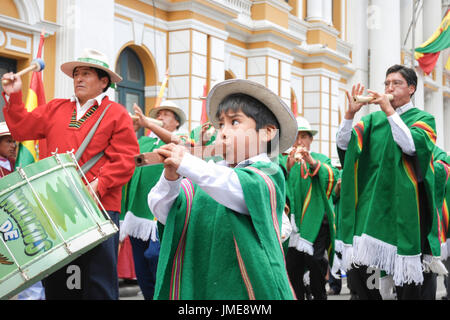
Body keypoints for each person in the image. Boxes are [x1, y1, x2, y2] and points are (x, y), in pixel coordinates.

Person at [1, 48, 139, 300]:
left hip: (98, 205)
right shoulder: (55, 108)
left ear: (103, 81)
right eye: (76, 74)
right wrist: (14, 95)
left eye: (86, 73)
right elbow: (21, 129)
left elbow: (126, 158)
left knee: (97, 280)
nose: (79, 79)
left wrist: (100, 183)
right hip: (54, 205)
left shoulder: (116, 113)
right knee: (57, 278)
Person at [148, 79, 298, 299]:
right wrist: (171, 178)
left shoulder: (268, 173)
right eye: (221, 125)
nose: (223, 133)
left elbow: (236, 188)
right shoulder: (206, 173)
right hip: (202, 287)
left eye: (234, 122)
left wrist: (187, 162)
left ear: (267, 132)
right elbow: (163, 212)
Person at [336, 64, 446, 300]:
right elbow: (346, 147)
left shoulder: (424, 119)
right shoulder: (373, 121)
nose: (389, 88)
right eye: (386, 83)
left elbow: (410, 146)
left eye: (396, 83)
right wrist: (349, 115)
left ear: (411, 89)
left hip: (407, 215)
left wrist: (389, 111)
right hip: (373, 215)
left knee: (411, 289)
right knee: (364, 284)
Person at [120, 100, 186, 300]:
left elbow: (180, 145)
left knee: (155, 257)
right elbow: (125, 159)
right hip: (137, 215)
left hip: (161, 214)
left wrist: (149, 124)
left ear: (176, 123)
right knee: (142, 268)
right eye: (159, 113)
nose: (160, 116)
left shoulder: (181, 138)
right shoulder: (143, 142)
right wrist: (130, 129)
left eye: (166, 114)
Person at [279, 116, 339, 300]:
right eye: (295, 136)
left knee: (315, 263)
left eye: (304, 136)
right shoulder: (283, 161)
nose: (299, 141)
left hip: (317, 223)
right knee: (292, 269)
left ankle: (319, 296)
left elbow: (331, 177)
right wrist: (287, 169)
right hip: (292, 226)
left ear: (311, 139)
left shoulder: (321, 159)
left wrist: (312, 163)